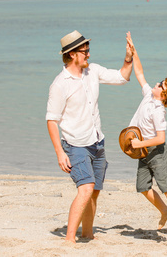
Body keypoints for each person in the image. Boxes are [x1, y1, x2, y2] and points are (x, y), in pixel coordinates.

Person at [46, 30, 133, 243]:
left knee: (94, 191)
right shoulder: (60, 84)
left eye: (88, 50)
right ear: (73, 54)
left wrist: (128, 58)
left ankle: (87, 233)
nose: (89, 55)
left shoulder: (92, 71)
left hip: (97, 142)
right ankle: (69, 240)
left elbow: (122, 77)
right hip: (75, 145)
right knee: (85, 189)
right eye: (85, 52)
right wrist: (59, 152)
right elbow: (51, 120)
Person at [126, 32, 167, 234]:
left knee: (166, 185)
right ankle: (164, 211)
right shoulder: (148, 96)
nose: (157, 83)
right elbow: (140, 73)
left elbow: (161, 138)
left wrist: (139, 145)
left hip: (156, 151)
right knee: (142, 186)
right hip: (143, 150)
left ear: (164, 94)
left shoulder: (159, 110)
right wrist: (134, 52)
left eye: (161, 84)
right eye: (160, 81)